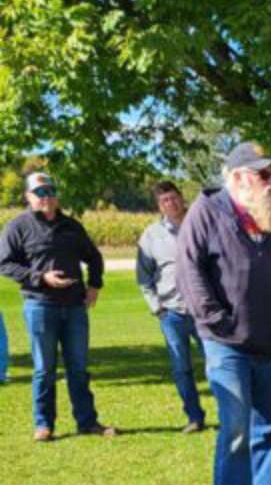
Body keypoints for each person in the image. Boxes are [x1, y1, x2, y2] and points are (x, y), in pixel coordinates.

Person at [176, 142, 271, 485]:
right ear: (236, 178)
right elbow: (189, 272)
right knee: (235, 431)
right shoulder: (205, 214)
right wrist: (219, 321)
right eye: (263, 174)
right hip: (228, 345)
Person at [0, 172, 116, 441]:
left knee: (78, 368)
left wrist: (94, 285)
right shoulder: (18, 227)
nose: (46, 197)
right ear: (28, 196)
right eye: (39, 192)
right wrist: (40, 278)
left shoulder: (72, 226)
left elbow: (94, 257)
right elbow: (4, 263)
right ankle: (44, 425)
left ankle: (87, 422)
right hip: (40, 307)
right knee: (44, 369)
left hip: (75, 308)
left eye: (50, 191)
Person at [136, 181, 207, 433]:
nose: (172, 203)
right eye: (165, 200)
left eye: (174, 198)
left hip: (204, 311)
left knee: (217, 363)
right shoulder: (151, 235)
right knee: (181, 368)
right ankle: (194, 417)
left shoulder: (200, 225)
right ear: (159, 206)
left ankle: (232, 415)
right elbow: (144, 278)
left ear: (181, 198)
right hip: (171, 312)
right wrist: (157, 308)